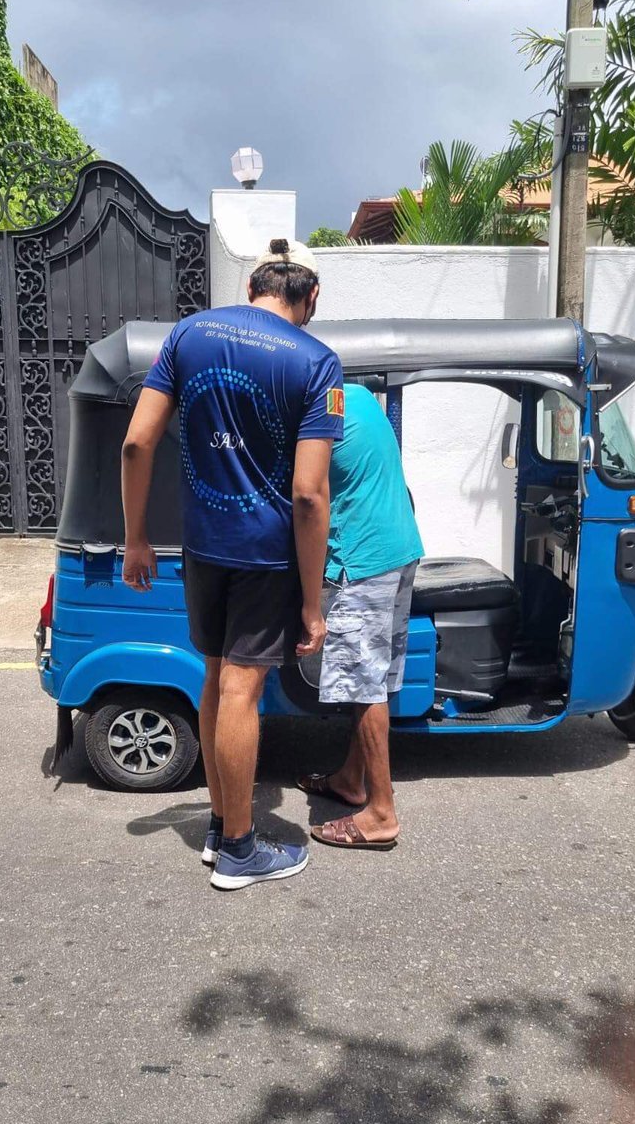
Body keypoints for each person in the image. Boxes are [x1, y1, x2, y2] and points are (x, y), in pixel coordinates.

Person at [120, 239, 343, 890]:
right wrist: (310, 602)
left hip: (202, 546)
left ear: (252, 285)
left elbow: (137, 441)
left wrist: (136, 538)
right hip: (263, 554)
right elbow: (308, 493)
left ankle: (221, 827)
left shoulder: (187, 335)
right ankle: (242, 851)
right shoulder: (317, 362)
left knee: (215, 681)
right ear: (311, 296)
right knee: (244, 691)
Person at [297, 383, 424, 849]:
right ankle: (352, 779)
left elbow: (306, 499)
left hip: (362, 562)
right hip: (399, 549)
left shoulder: (311, 415)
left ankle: (381, 814)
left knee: (362, 683)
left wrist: (310, 600)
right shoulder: (357, 397)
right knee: (378, 677)